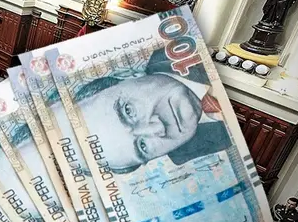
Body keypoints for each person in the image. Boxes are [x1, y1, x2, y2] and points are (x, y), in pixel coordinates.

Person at [75, 47, 233, 173]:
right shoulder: (201, 149)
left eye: (129, 111)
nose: (159, 128)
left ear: (129, 75)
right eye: (143, 146)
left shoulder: (182, 46)